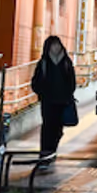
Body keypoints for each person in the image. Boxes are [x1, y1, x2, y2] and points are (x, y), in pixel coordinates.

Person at [31, 36, 76, 173]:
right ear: (48, 47)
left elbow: (72, 81)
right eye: (53, 45)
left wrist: (68, 94)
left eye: (57, 45)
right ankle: (44, 156)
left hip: (62, 102)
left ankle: (51, 152)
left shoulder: (66, 62)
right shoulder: (43, 63)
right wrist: (42, 94)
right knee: (47, 129)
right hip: (48, 102)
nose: (56, 48)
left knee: (58, 130)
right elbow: (35, 82)